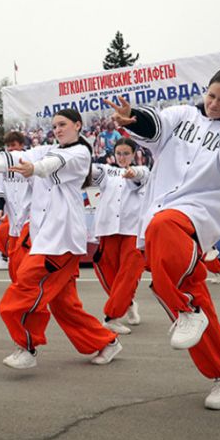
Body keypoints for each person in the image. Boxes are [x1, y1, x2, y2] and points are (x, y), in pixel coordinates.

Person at [105, 67, 220, 410]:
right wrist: (133, 118)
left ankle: (187, 310)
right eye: (211, 95)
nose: (214, 103)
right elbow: (155, 125)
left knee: (164, 228)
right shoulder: (182, 114)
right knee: (182, 290)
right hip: (160, 208)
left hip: (197, 211)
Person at [0, 108, 122, 370]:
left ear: (78, 125)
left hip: (61, 242)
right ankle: (106, 342)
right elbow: (9, 158)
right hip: (45, 239)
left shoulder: (80, 153)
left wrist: (34, 168)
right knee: (64, 305)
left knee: (18, 297)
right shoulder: (46, 149)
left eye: (63, 124)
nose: (57, 130)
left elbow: (50, 166)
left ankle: (27, 347)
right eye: (54, 126)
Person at [89, 137, 149, 334]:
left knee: (129, 272)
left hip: (133, 231)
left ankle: (112, 317)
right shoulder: (107, 171)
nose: (122, 157)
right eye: (119, 154)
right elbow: (92, 171)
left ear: (134, 155)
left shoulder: (144, 171)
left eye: (126, 154)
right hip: (108, 229)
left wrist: (133, 173)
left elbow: (140, 175)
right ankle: (128, 303)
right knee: (110, 274)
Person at [0, 131, 32, 276]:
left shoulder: (31, 162)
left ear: (22, 145)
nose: (11, 149)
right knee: (14, 263)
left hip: (30, 217)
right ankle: (7, 261)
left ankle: (26, 286)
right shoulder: (3, 166)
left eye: (13, 145)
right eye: (8, 146)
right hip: (13, 218)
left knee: (25, 258)